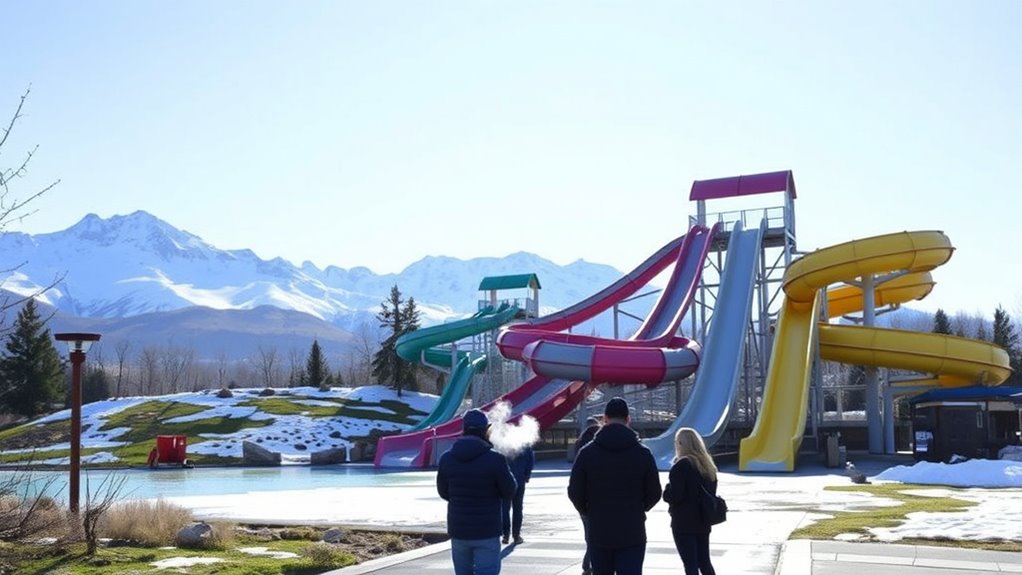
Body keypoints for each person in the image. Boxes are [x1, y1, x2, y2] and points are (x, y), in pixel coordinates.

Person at [568, 398, 662, 575]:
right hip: (632, 530)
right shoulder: (642, 453)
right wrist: (639, 508)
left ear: (604, 419)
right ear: (628, 419)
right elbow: (655, 493)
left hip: (599, 530)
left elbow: (574, 491)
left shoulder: (587, 453)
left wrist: (588, 511)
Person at [437, 409, 518, 575]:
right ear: (485, 430)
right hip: (487, 530)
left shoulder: (447, 458)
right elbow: (510, 491)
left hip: (459, 529)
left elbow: (443, 492)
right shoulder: (496, 459)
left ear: (464, 429)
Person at [662, 427, 718, 575]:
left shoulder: (681, 466)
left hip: (684, 522)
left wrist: (667, 490)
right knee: (705, 562)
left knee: (690, 564)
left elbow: (676, 496)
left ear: (680, 444)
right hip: (703, 519)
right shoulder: (708, 466)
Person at [573, 416, 601, 574]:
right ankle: (588, 563)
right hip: (598, 498)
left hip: (583, 497)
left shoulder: (579, 444)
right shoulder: (599, 445)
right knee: (597, 533)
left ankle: (588, 562)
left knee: (588, 532)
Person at [501, 445, 535, 544]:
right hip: (519, 479)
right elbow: (530, 460)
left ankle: (505, 535)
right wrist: (527, 475)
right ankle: (516, 535)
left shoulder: (503, 444)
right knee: (518, 508)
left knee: (505, 508)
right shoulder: (525, 444)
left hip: (505, 481)